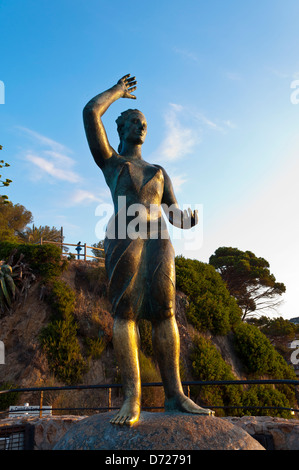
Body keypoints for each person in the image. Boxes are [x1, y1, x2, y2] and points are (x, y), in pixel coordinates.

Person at [83, 74, 214, 426]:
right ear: (122, 126)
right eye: (135, 122)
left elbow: (174, 215)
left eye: (144, 124)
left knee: (166, 312)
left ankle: (175, 395)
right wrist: (117, 92)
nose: (140, 127)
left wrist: (190, 220)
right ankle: (133, 397)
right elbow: (89, 113)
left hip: (158, 240)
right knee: (124, 314)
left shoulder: (158, 171)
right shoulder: (111, 162)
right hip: (125, 235)